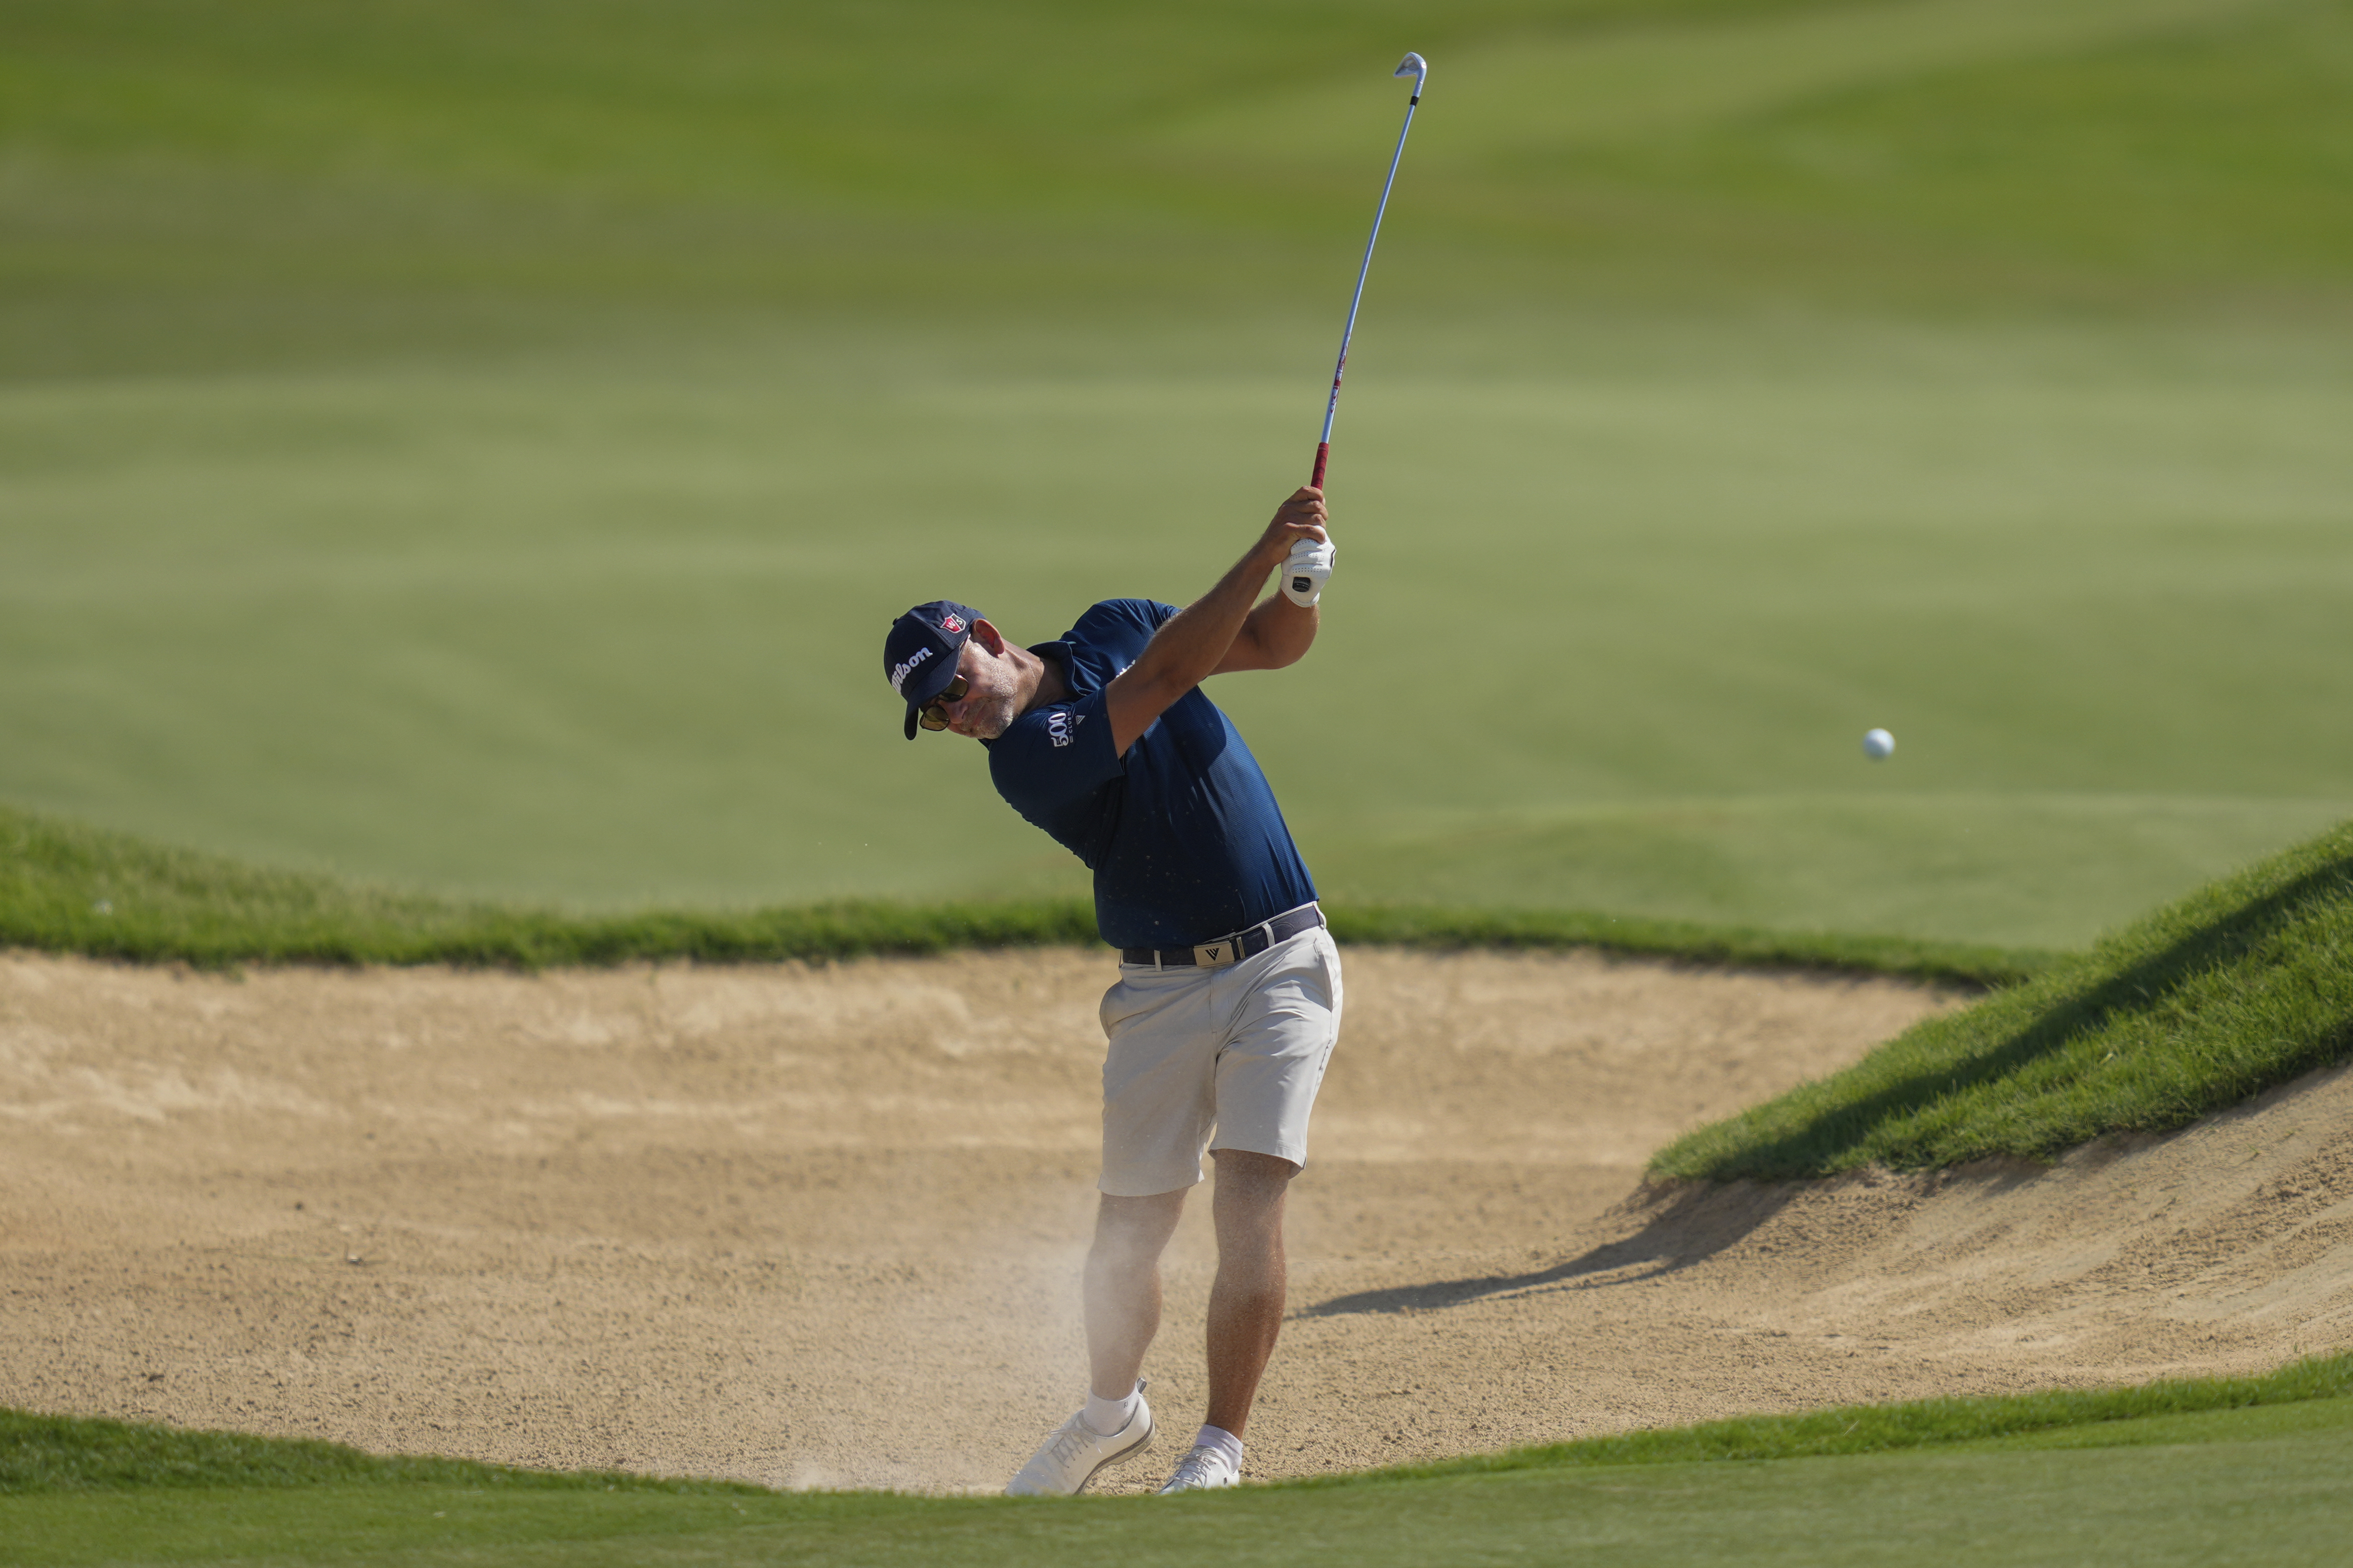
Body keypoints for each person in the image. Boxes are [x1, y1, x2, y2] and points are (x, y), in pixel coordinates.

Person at [881, 487, 1342, 1496]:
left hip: (1282, 961)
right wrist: (1264, 541)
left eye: (953, 684)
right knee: (1128, 1229)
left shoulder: (1115, 626)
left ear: (991, 640)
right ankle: (1110, 1413)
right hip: (1158, 994)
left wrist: (1303, 580)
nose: (956, 714)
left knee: (1249, 1199)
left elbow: (1267, 643)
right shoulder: (1023, 763)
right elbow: (1172, 675)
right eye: (937, 711)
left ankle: (1218, 1444)